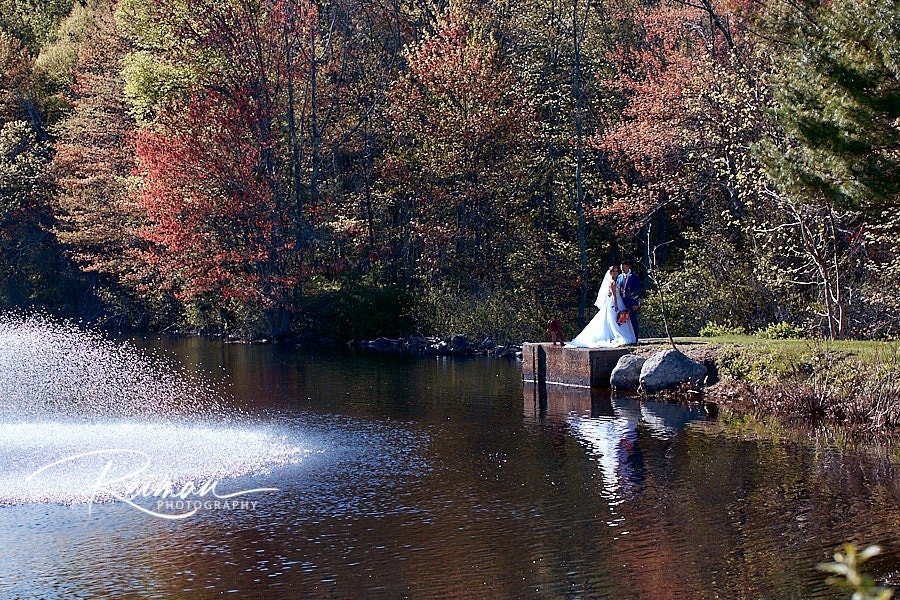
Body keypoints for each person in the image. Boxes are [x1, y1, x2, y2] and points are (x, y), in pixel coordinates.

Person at [566, 265, 636, 348]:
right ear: (610, 273)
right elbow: (613, 295)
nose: (615, 273)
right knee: (614, 319)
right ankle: (616, 335)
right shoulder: (612, 282)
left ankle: (616, 335)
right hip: (614, 302)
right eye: (613, 271)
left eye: (616, 271)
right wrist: (616, 305)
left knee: (618, 319)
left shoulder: (617, 280)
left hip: (619, 300)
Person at [617, 260, 641, 341]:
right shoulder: (620, 277)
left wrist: (635, 303)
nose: (622, 269)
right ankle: (626, 337)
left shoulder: (634, 276)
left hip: (630, 301)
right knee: (622, 319)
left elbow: (637, 290)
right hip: (622, 301)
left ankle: (635, 338)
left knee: (632, 319)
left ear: (628, 267)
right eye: (621, 268)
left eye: (623, 267)